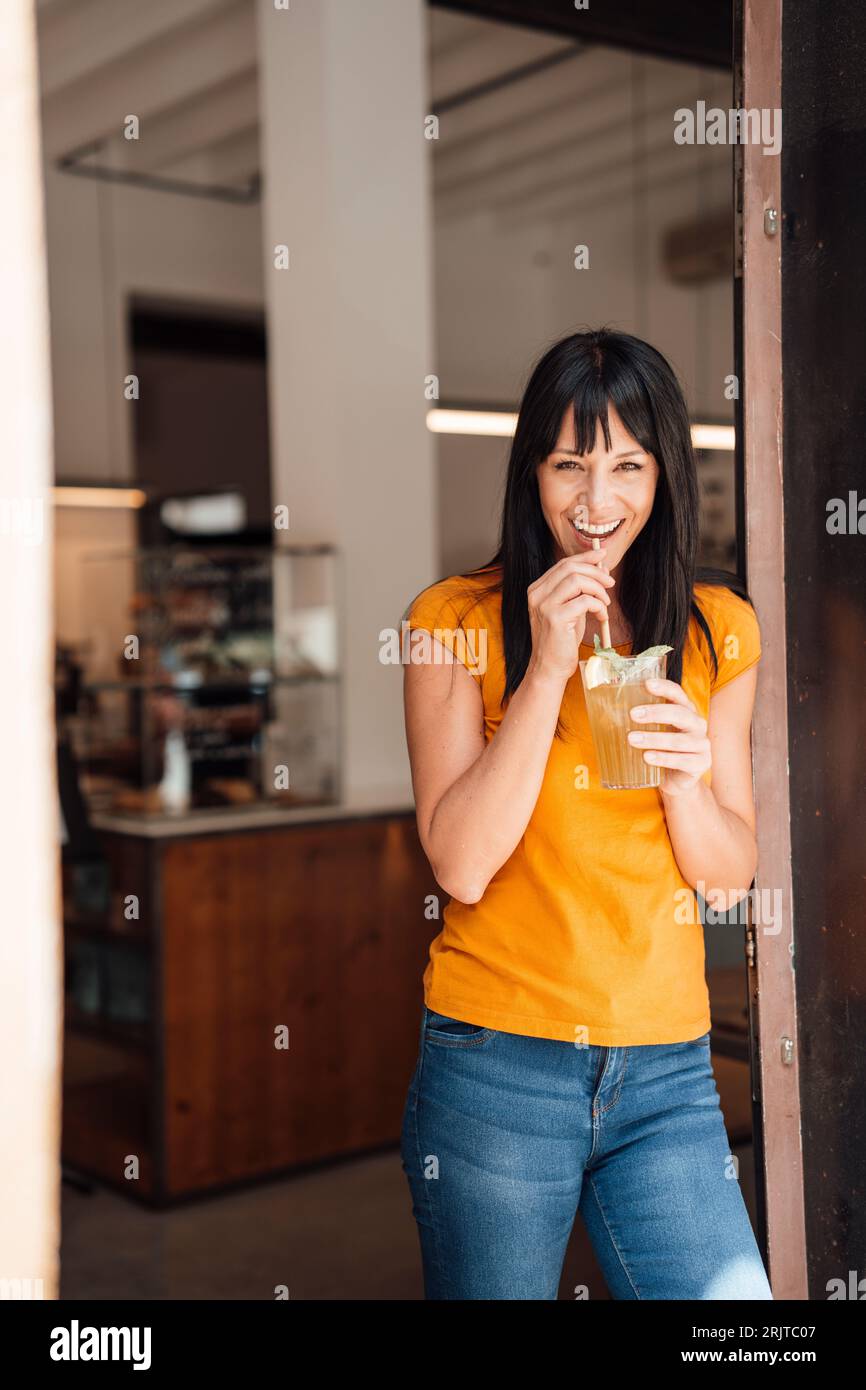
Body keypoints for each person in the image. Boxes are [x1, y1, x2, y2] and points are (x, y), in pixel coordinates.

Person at [399, 327, 773, 1301]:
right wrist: (547, 665)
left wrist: (687, 777)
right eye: (567, 464)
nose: (594, 501)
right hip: (494, 1071)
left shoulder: (714, 630)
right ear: (531, 471)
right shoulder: (451, 620)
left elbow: (726, 877)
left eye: (624, 465)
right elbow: (462, 866)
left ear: (662, 476)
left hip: (665, 1074)